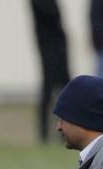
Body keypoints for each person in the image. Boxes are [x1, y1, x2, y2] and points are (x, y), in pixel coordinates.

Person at [30, 0, 70, 143]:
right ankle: (46, 131)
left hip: (55, 50)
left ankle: (61, 131)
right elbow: (52, 17)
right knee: (51, 92)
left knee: (59, 92)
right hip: (50, 50)